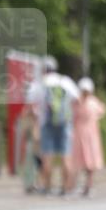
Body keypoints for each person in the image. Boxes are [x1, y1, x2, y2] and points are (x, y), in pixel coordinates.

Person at [27, 56, 79, 194]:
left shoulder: (40, 84)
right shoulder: (65, 81)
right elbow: (77, 100)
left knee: (47, 157)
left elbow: (31, 107)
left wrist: (34, 122)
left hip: (46, 124)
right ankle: (66, 189)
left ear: (43, 69)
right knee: (66, 157)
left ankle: (48, 187)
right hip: (65, 124)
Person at [72, 78, 106, 197]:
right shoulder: (92, 102)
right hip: (88, 134)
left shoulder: (79, 102)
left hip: (84, 133)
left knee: (86, 161)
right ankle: (85, 186)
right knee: (86, 161)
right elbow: (102, 111)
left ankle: (86, 186)